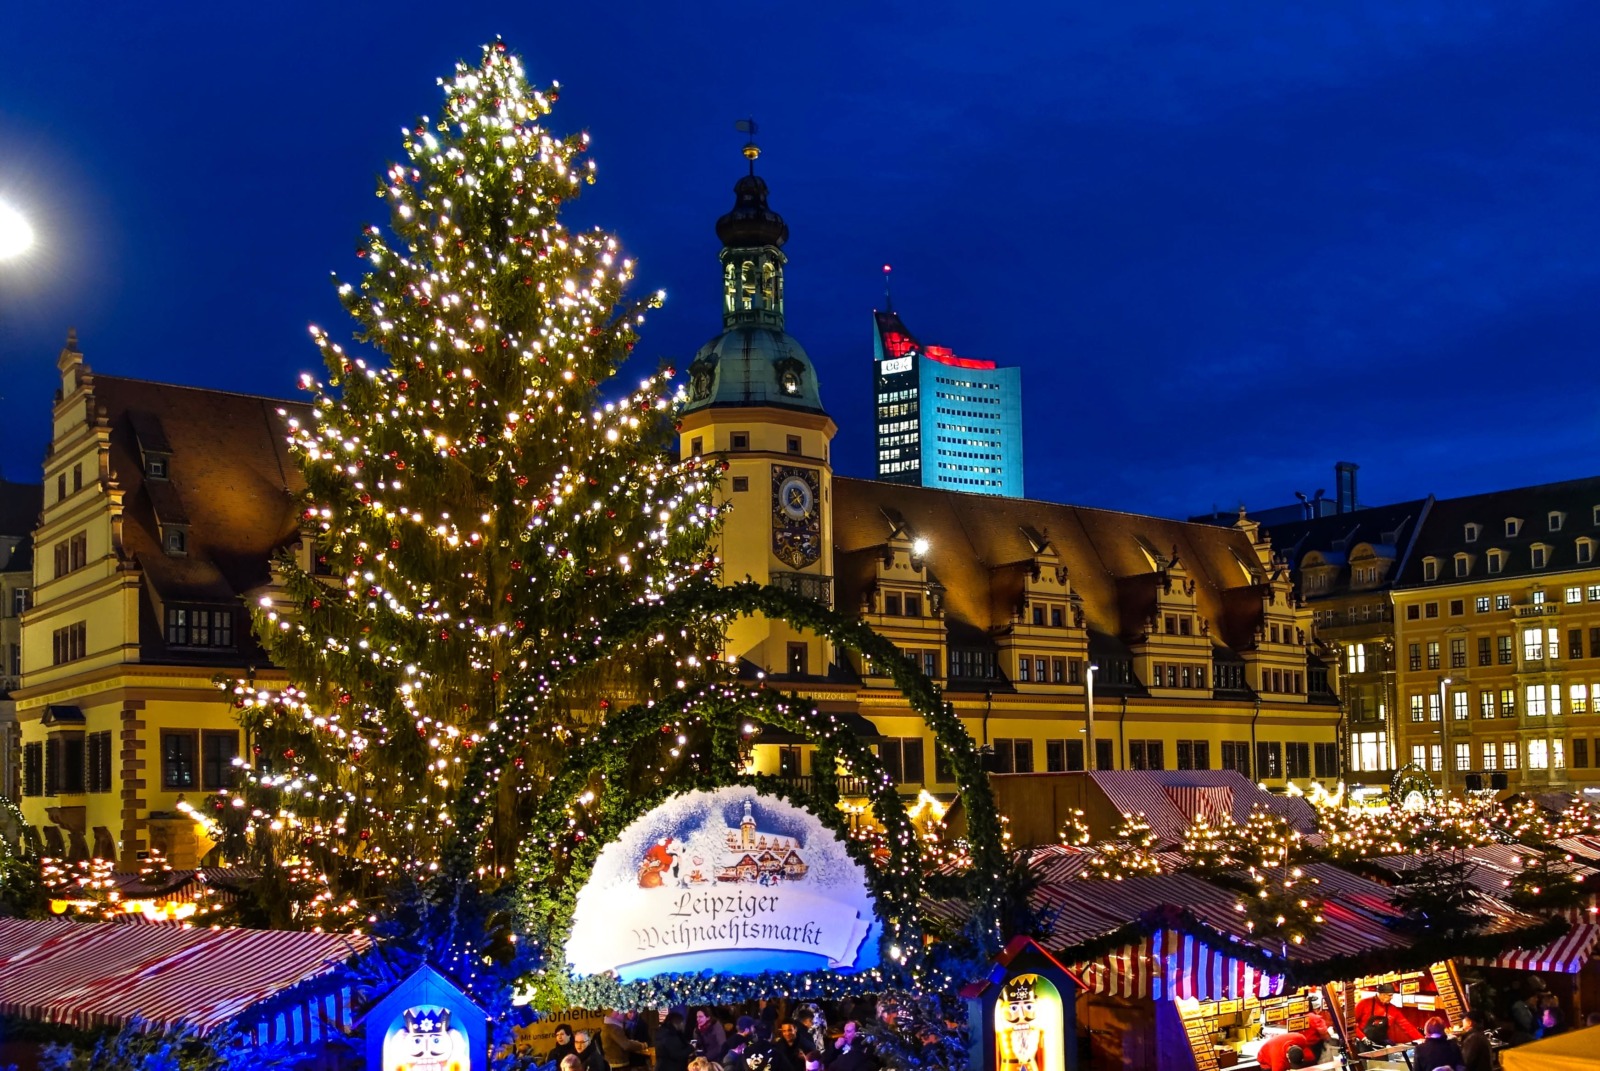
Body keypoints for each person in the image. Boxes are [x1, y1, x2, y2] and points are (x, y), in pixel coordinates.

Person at [1256, 1014, 1330, 1071]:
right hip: (1265, 1059)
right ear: (1287, 1057)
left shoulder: (1301, 1039)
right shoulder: (1278, 1062)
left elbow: (1310, 1057)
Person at [1352, 984, 1422, 1045]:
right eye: (1389, 995)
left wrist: (1421, 1039)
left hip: (1381, 1043)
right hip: (1363, 1043)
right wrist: (1363, 1038)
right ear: (1381, 994)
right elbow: (1351, 1024)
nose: (1392, 998)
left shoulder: (1392, 1009)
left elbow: (1406, 1026)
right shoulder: (1363, 1004)